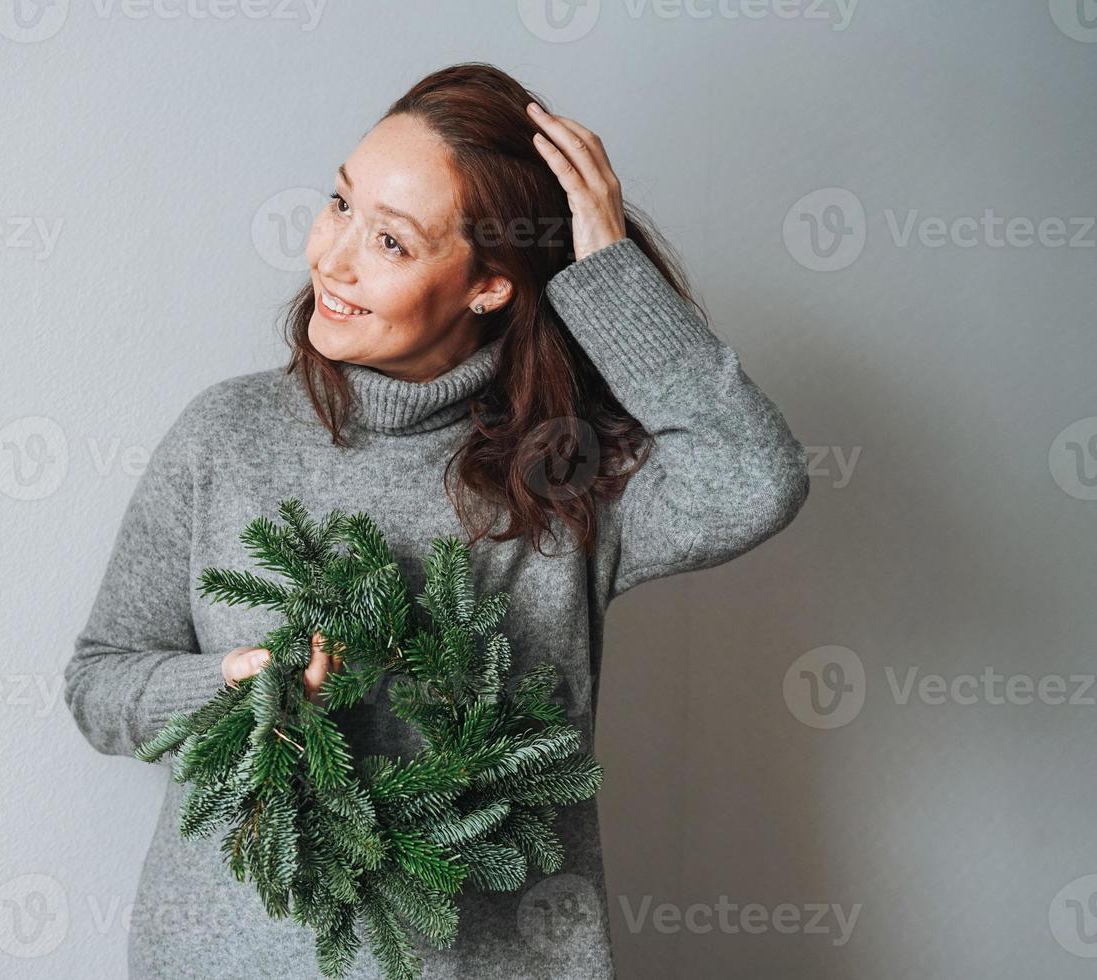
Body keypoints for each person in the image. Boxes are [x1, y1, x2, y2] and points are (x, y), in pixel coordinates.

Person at [63, 62, 810, 980]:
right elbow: (99, 684)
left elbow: (754, 477)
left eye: (390, 241)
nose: (333, 258)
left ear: (489, 285)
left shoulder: (565, 474)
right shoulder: (225, 434)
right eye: (340, 204)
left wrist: (605, 270)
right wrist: (234, 688)